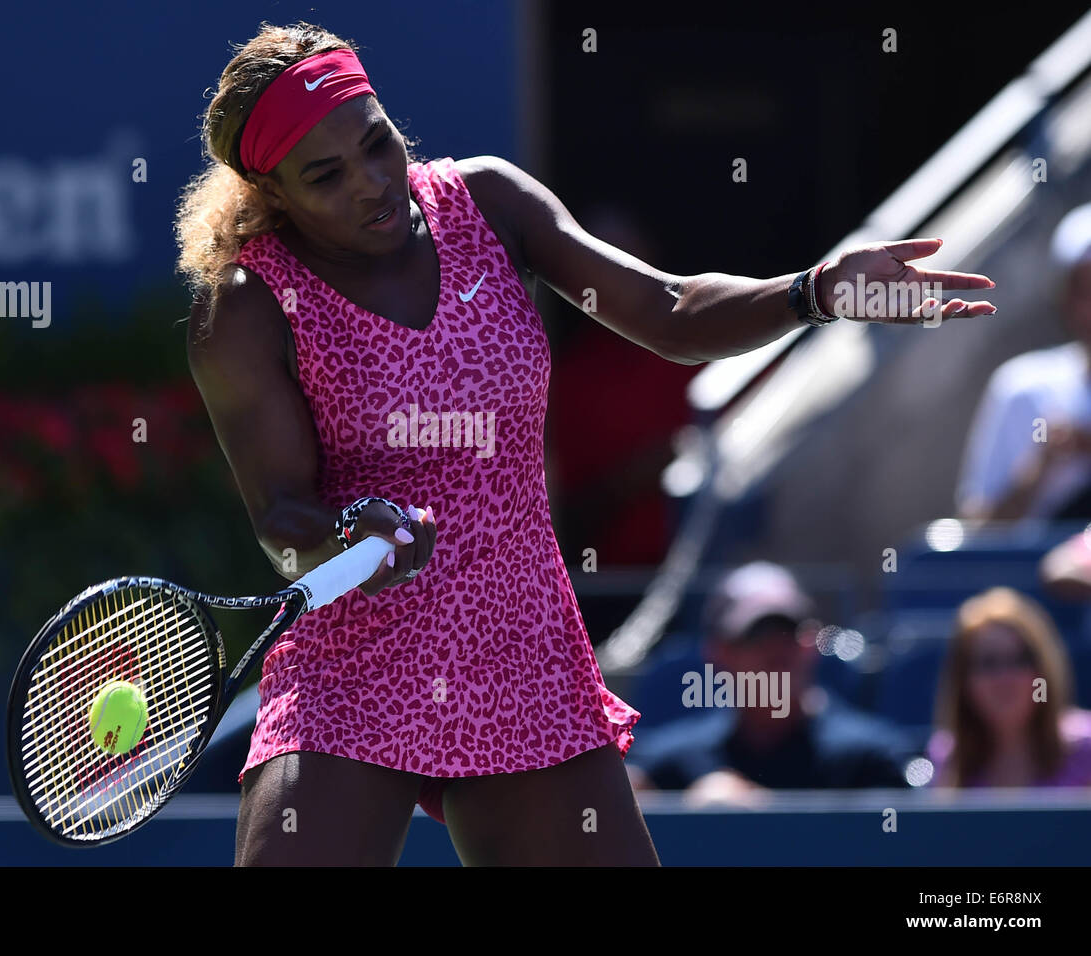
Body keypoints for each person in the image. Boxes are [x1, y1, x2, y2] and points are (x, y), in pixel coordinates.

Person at [173, 21, 995, 865]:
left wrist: (815, 291)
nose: (374, 182)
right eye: (327, 176)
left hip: (518, 647)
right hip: (352, 668)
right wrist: (347, 538)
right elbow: (282, 517)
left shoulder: (486, 202)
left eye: (376, 143)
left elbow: (668, 312)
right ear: (270, 191)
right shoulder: (242, 307)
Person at [627, 563, 917, 804]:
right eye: (756, 635)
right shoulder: (668, 769)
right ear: (719, 653)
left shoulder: (872, 761)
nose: (776, 651)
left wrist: (760, 809)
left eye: (788, 634)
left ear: (810, 645)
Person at [957, 202, 1091, 523]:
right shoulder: (1020, 387)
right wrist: (1040, 467)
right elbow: (979, 530)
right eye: (1087, 289)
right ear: (1065, 298)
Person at [927, 587, 1091, 788]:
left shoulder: (1086, 749)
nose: (1005, 677)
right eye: (988, 663)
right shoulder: (947, 757)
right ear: (964, 680)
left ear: (1043, 673)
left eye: (1020, 660)